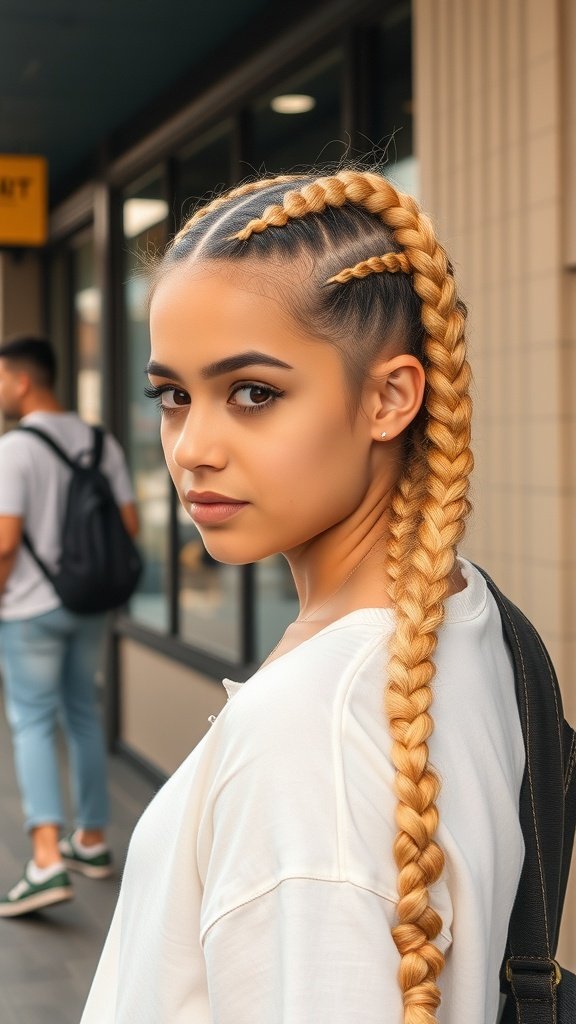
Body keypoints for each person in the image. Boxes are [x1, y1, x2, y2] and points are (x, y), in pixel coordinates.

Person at [81, 170, 525, 1024]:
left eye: (254, 393)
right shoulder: (471, 615)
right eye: (173, 396)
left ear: (389, 398)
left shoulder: (309, 740)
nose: (192, 448)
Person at [0, 335, 139, 917]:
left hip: (28, 610)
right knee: (82, 713)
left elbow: (5, 542)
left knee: (32, 721)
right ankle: (92, 840)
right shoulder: (101, 441)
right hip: (88, 605)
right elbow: (129, 524)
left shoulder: (14, 449)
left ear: (22, 380)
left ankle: (44, 861)